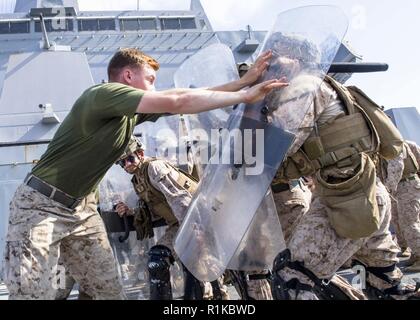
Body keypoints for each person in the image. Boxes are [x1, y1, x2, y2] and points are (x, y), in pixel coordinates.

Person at [3, 48, 288, 300]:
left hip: (81, 212)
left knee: (107, 292)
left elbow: (186, 99)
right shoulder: (103, 94)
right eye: (150, 79)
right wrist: (244, 94)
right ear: (128, 76)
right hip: (40, 206)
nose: (155, 87)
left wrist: (240, 83)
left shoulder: (128, 114)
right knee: (30, 293)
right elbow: (176, 100)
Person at [267, 33, 420, 300]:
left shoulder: (303, 88)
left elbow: (277, 147)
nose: (269, 62)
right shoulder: (327, 86)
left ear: (295, 58)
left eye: (275, 54)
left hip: (345, 201)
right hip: (365, 194)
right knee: (384, 280)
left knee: (292, 277)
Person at [384, 141, 420, 272]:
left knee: (410, 223)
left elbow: (397, 167)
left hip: (406, 185)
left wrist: (387, 188)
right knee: (399, 220)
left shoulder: (393, 144)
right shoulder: (385, 146)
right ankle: (414, 253)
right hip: (400, 187)